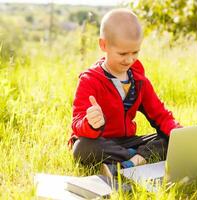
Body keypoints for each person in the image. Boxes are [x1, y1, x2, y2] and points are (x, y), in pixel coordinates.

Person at [69, 8, 181, 179]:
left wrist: (178, 133)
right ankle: (138, 158)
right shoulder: (89, 80)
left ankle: (127, 163)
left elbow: (161, 115)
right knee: (81, 147)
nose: (129, 60)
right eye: (122, 54)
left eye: (135, 53)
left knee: (170, 140)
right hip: (101, 142)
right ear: (103, 45)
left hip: (129, 141)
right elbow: (77, 123)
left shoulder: (139, 81)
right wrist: (90, 123)